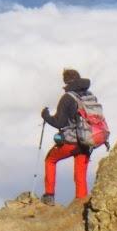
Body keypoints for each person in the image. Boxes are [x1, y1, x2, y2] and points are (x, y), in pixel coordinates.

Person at [40, 68, 93, 205]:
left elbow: (60, 122)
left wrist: (46, 116)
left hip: (71, 142)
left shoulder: (67, 98)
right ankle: (81, 202)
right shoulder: (89, 95)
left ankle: (49, 196)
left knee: (50, 160)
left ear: (66, 82)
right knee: (80, 173)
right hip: (88, 141)